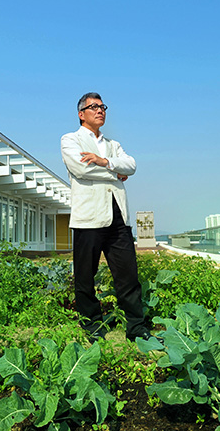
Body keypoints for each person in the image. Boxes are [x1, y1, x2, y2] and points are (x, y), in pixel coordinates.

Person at [60, 92, 151, 342]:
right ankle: (92, 326)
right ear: (81, 114)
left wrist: (103, 161)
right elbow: (80, 169)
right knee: (85, 277)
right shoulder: (70, 139)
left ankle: (136, 327)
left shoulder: (113, 145)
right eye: (93, 107)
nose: (100, 110)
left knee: (128, 276)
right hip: (88, 217)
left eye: (102, 106)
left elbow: (131, 165)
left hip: (119, 218)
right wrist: (114, 171)